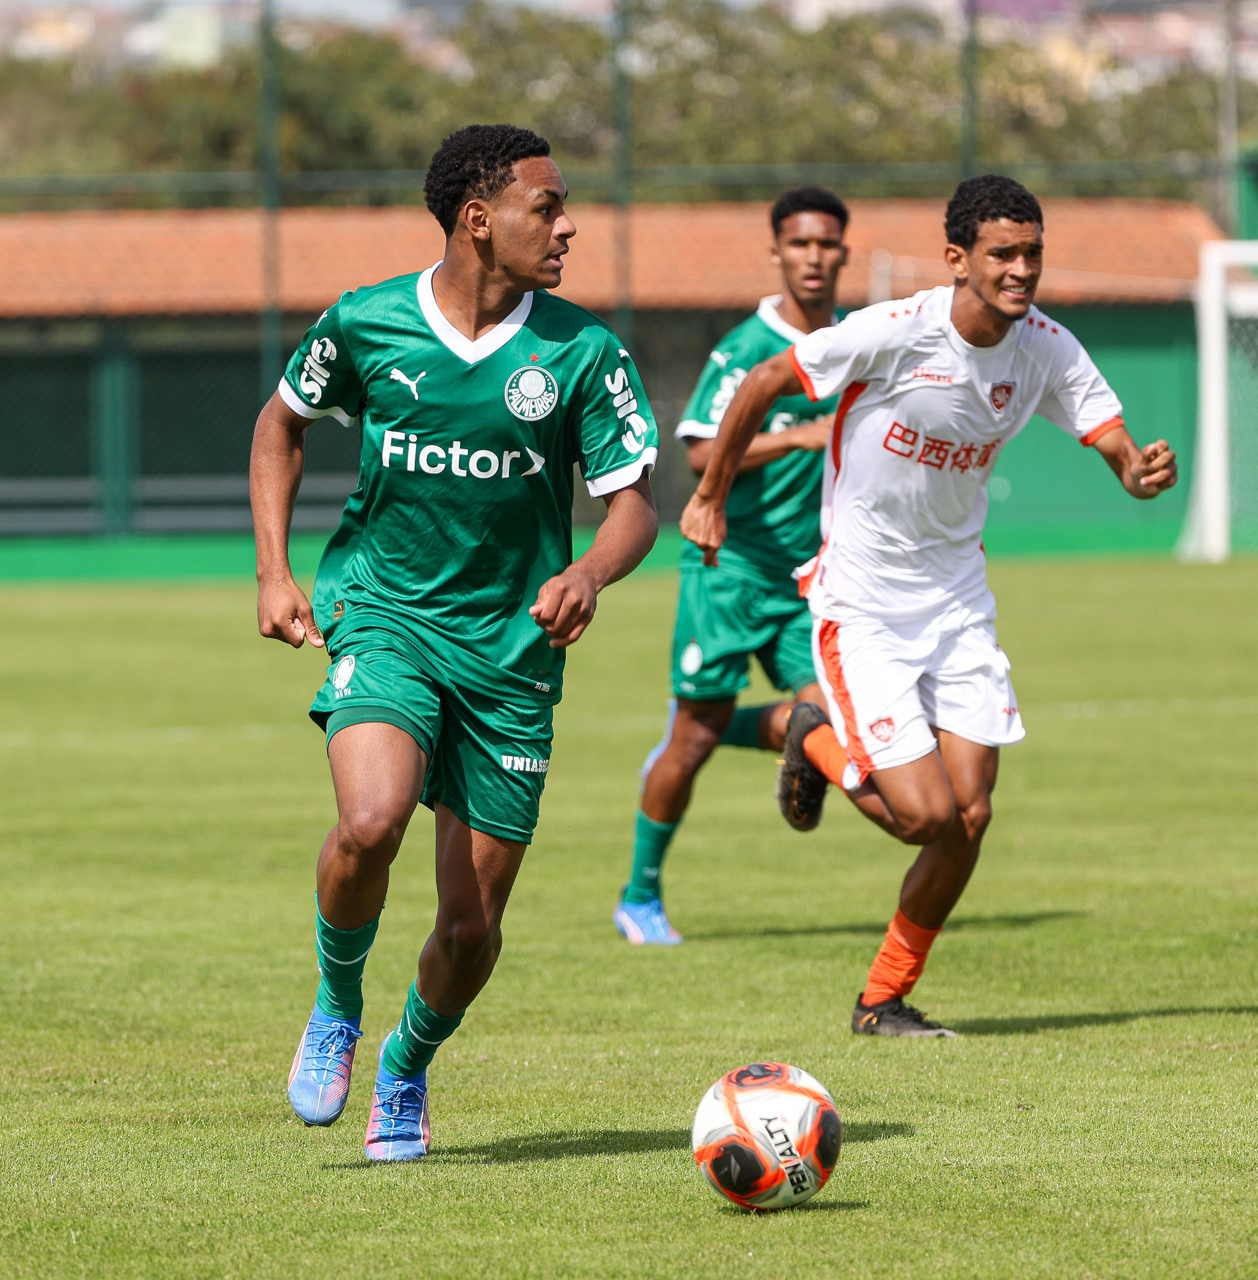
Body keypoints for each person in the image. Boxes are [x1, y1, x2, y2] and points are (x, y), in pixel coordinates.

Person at [679, 174, 1177, 1035]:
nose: (1021, 270)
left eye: (1032, 254)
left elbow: (1111, 438)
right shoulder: (897, 330)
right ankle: (815, 739)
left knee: (970, 816)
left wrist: (1135, 471)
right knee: (923, 817)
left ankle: (882, 999)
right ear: (957, 259)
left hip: (957, 603)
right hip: (862, 603)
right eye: (1003, 254)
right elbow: (762, 382)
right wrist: (710, 496)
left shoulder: (1047, 348)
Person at [250, 123, 659, 1159]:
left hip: (511, 653)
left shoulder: (581, 351)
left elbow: (633, 506)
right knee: (370, 820)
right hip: (386, 614)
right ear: (478, 218)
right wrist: (273, 570)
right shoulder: (367, 322)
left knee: (470, 927)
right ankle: (337, 1003)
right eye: (546, 207)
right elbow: (281, 423)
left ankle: (405, 1063)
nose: (566, 227)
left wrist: (587, 572)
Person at [613, 187, 849, 947]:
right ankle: (639, 897)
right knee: (689, 744)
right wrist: (797, 435)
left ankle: (714, 726)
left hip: (808, 581)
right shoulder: (748, 348)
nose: (813, 257)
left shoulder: (854, 343)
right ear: (776, 252)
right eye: (800, 243)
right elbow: (699, 453)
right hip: (729, 570)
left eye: (826, 244)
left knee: (834, 726)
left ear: (844, 252)